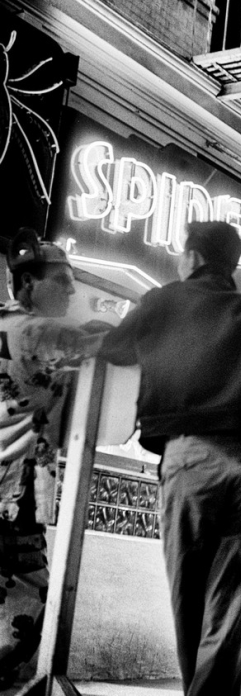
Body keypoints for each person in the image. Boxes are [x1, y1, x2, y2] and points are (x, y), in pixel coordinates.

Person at [99, 221, 241, 696]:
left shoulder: (163, 301)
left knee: (189, 594)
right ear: (230, 264)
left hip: (191, 456)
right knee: (231, 600)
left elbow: (113, 348)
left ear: (192, 257)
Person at [0, 229, 105, 688]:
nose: (72, 289)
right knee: (37, 613)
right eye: (60, 279)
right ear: (26, 284)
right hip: (11, 504)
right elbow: (97, 341)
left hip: (12, 497)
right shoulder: (36, 330)